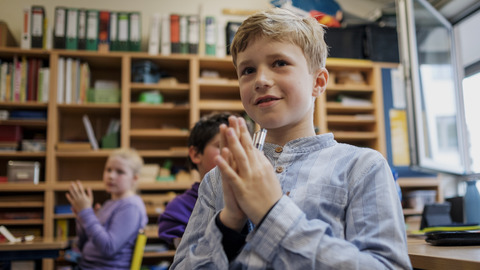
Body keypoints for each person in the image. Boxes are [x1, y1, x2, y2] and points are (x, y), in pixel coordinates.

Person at [170, 8, 411, 269]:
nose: (260, 80)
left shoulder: (363, 167)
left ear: (318, 82)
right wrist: (228, 223)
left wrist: (272, 213)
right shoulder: (218, 180)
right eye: (247, 70)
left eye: (279, 63)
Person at [157, 112, 250, 248]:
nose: (235, 152)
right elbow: (192, 256)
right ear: (195, 154)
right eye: (222, 146)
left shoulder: (253, 195)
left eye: (240, 145)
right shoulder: (179, 208)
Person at [66, 148, 148, 270]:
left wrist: (87, 214)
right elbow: (83, 245)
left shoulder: (131, 206)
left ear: (134, 178)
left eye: (120, 172)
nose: (111, 176)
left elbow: (108, 248)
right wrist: (82, 218)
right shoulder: (109, 203)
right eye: (108, 170)